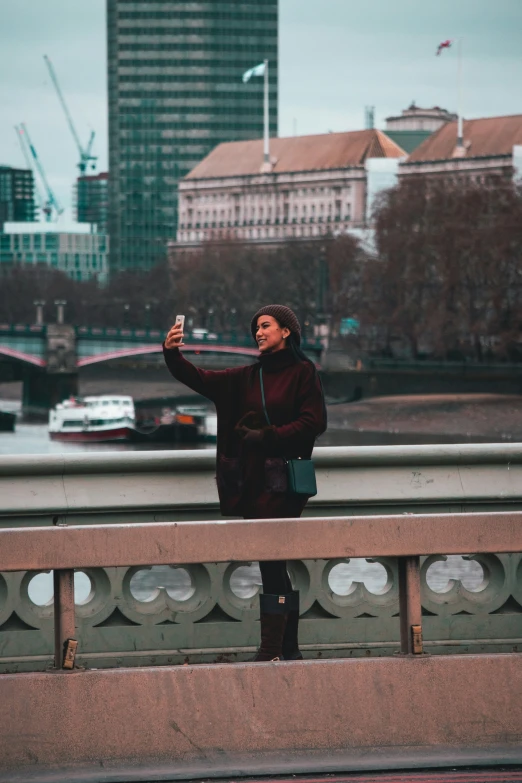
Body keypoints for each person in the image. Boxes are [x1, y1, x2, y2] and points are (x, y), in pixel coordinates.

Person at [164, 304, 327, 661]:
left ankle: (272, 648)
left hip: (284, 484)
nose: (258, 332)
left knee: (271, 559)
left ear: (286, 331)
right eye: (255, 328)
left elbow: (313, 423)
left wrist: (264, 436)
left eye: (265, 326)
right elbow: (200, 379)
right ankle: (288, 648)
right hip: (254, 483)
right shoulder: (246, 377)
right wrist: (171, 352)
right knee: (273, 561)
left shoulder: (304, 372)